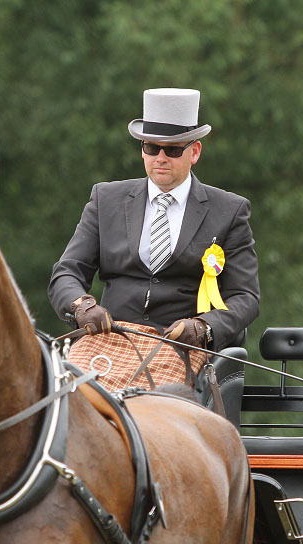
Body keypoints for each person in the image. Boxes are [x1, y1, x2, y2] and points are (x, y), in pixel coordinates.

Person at [48, 88, 260, 356]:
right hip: (108, 340)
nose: (160, 158)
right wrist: (82, 307)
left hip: (182, 347)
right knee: (63, 381)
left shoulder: (229, 210)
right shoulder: (106, 199)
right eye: (151, 147)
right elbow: (66, 273)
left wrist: (204, 327)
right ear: (142, 151)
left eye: (172, 150)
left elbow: (245, 297)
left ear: (194, 152)